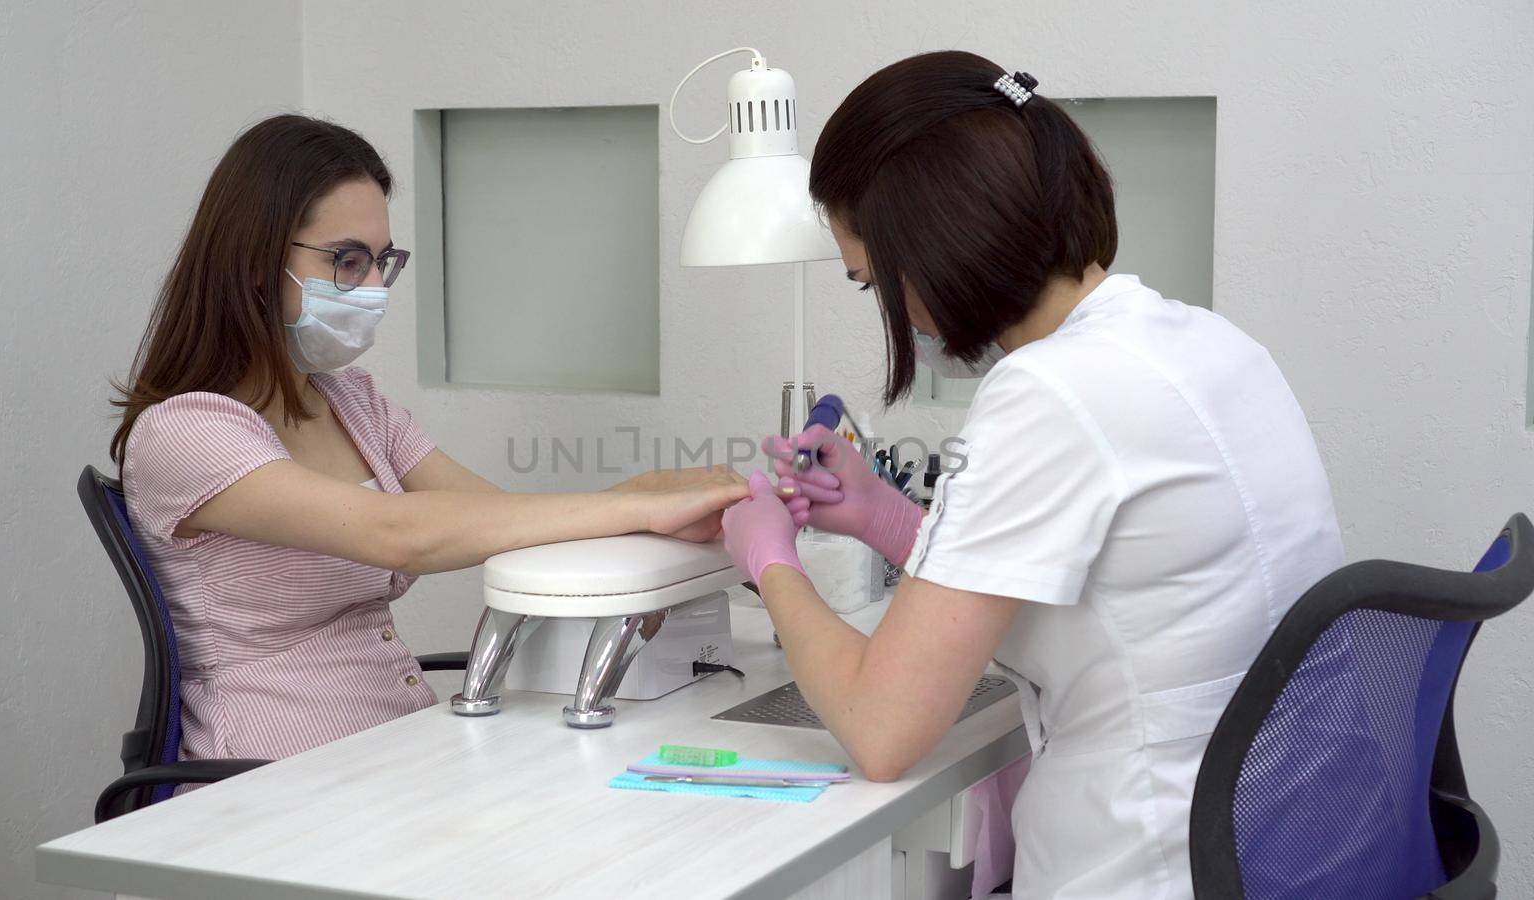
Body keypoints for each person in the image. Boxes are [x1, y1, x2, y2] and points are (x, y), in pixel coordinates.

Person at [719, 52, 1343, 899]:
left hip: (1152, 863)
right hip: (1279, 845)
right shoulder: (1196, 341)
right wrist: (879, 514)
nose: (892, 313)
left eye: (871, 280)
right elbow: (1069, 578)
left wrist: (771, 563)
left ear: (928, 252)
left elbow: (881, 728)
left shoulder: (1050, 392)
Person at [111, 114, 746, 771]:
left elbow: (498, 520)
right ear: (256, 257)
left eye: (381, 262)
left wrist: (641, 511)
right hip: (270, 776)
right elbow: (397, 532)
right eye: (347, 261)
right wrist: (635, 508)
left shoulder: (352, 402)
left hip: (396, 746)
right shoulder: (184, 433)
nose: (375, 288)